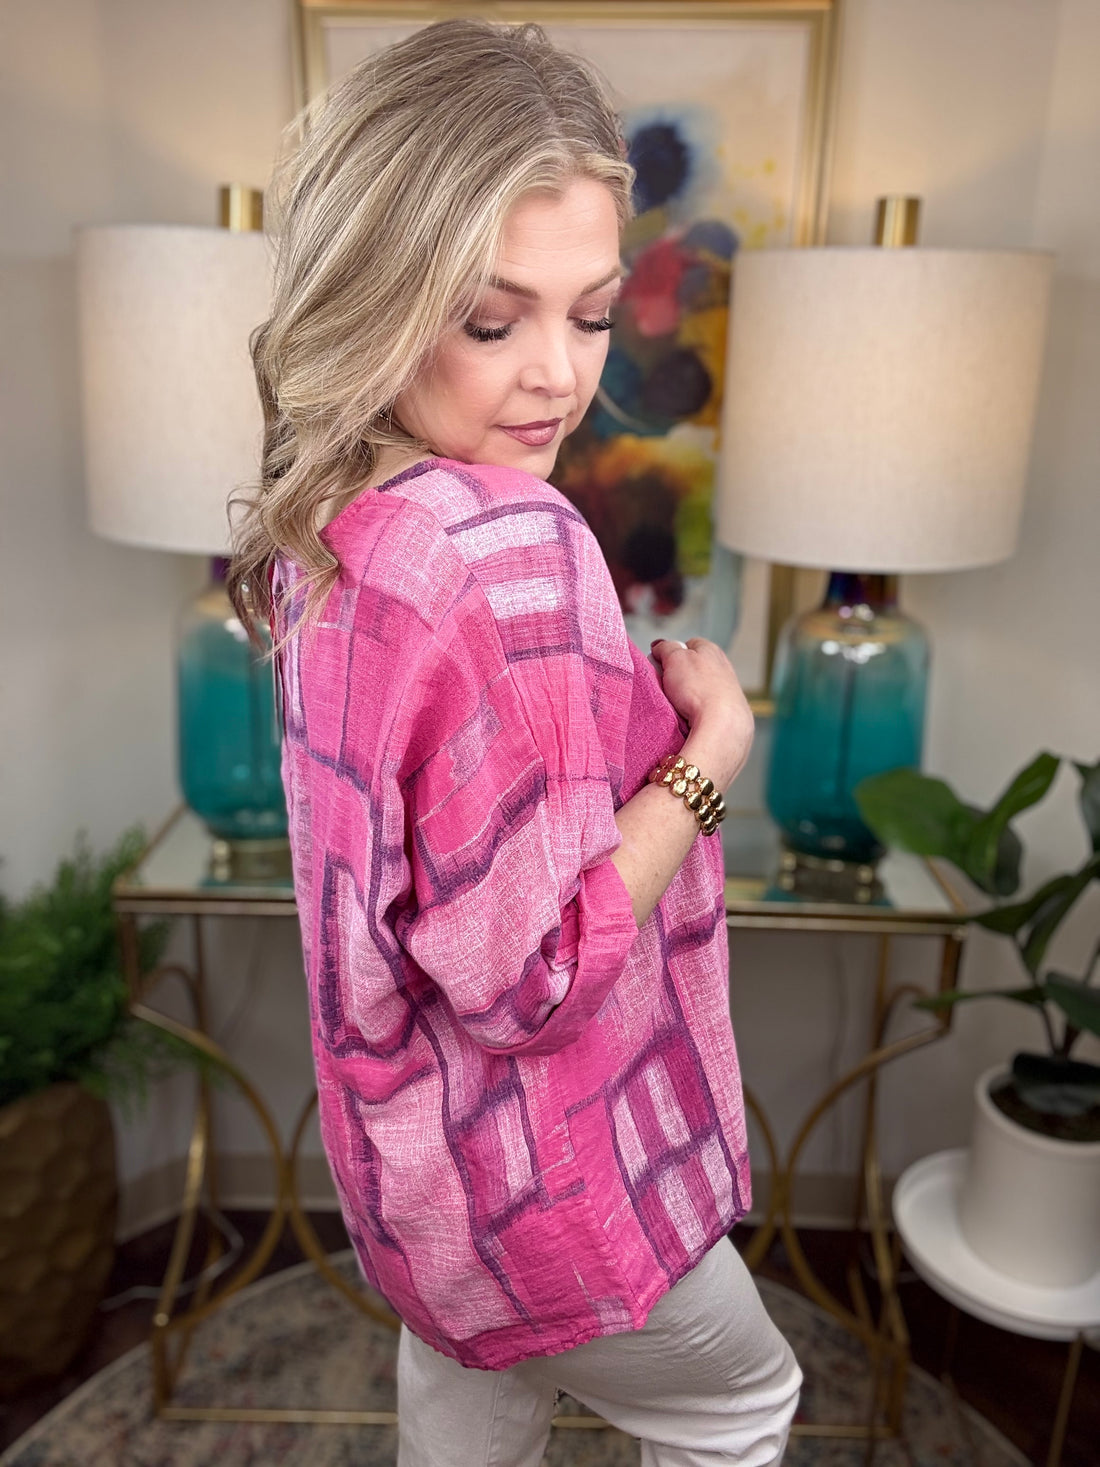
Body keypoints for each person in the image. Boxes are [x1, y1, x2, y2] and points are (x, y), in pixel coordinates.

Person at [229, 18, 800, 1467]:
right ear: (376, 293)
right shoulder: (508, 540)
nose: (557, 374)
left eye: (592, 312)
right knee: (744, 1402)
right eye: (492, 321)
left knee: (472, 1413)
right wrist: (709, 751)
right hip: (552, 1174)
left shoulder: (332, 523)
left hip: (418, 1178)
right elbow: (534, 972)